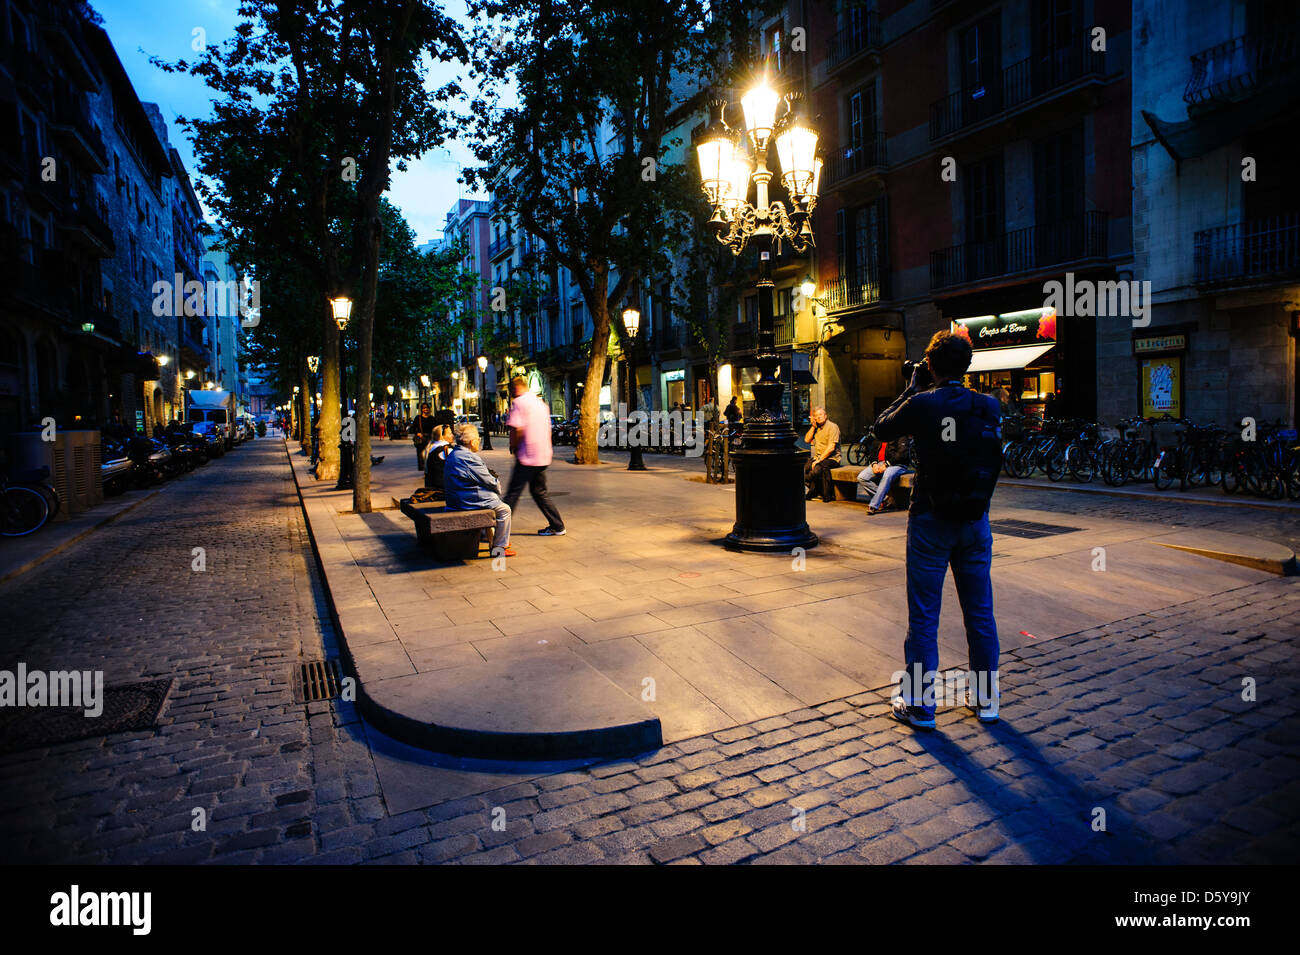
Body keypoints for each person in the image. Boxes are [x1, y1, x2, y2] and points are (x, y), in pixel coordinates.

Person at [874, 331, 1002, 730]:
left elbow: (880, 429)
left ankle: (920, 706)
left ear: (930, 366)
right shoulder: (989, 406)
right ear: (967, 366)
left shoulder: (921, 403)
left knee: (925, 616)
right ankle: (985, 700)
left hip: (930, 518)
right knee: (980, 613)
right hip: (974, 519)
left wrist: (909, 390)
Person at [503, 376, 565, 536]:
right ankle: (557, 525)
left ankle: (499, 529)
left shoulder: (519, 403)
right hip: (542, 454)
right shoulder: (541, 403)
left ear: (515, 388)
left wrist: (514, 446)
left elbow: (517, 428)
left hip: (527, 455)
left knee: (513, 493)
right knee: (539, 491)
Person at [443, 424, 514, 557]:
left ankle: (494, 538)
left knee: (494, 501)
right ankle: (499, 547)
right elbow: (488, 480)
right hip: (465, 501)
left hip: (457, 497)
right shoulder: (469, 457)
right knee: (504, 510)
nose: (479, 441)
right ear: (471, 442)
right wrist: (497, 486)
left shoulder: (456, 453)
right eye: (478, 439)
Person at [857, 435, 913, 514]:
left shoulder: (901, 435)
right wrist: (874, 464)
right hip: (880, 463)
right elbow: (873, 452)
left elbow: (902, 454)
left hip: (897, 464)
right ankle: (885, 499)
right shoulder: (881, 435)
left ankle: (873, 505)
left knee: (886, 475)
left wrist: (887, 464)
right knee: (862, 477)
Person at [803, 407, 841, 502]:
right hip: (818, 457)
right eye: (816, 416)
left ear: (825, 416)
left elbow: (831, 447)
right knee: (802, 469)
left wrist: (818, 460)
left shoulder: (833, 427)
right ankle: (815, 489)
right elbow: (807, 440)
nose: (818, 417)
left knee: (816, 470)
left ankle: (819, 492)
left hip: (832, 458)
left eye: (820, 415)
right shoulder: (816, 428)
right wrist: (813, 426)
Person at [423, 424, 453, 493]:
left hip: (431, 486)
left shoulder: (431, 447)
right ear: (442, 436)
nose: (452, 435)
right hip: (442, 488)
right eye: (450, 433)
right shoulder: (446, 449)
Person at [411, 403, 436, 471]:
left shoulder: (432, 418)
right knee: (421, 455)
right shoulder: (418, 418)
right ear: (421, 409)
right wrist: (417, 433)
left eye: (427, 408)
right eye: (424, 408)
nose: (425, 409)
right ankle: (423, 468)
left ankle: (429, 469)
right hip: (421, 439)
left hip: (430, 439)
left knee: (430, 455)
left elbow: (435, 428)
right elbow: (413, 428)